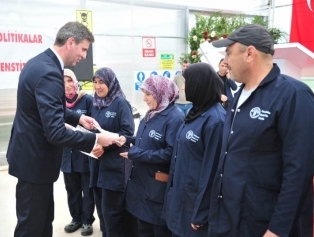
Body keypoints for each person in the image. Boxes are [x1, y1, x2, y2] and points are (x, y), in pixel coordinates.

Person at [6, 21, 115, 237]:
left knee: (43, 221)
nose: (84, 56)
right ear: (70, 42)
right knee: (31, 227)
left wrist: (78, 118)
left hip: (31, 161)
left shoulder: (39, 63)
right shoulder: (49, 73)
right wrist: (95, 140)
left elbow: (47, 108)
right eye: (83, 49)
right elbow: (55, 132)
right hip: (35, 162)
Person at [208, 24, 314, 237]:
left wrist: (277, 229)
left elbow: (299, 171)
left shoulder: (293, 95)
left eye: (229, 53)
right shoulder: (239, 96)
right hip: (229, 219)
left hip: (264, 223)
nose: (225, 61)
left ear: (249, 53)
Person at [117, 75, 184, 237]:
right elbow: (144, 140)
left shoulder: (174, 118)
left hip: (156, 187)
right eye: (144, 93)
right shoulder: (152, 114)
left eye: (148, 94)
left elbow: (170, 153)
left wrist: (136, 154)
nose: (144, 99)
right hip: (142, 184)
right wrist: (128, 139)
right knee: (143, 228)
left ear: (161, 93)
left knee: (158, 229)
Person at [163, 62, 225, 237]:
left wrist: (201, 212)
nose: (183, 87)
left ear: (199, 84)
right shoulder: (195, 112)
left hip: (195, 207)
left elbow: (213, 172)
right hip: (181, 199)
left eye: (186, 81)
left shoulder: (216, 121)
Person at [89, 67, 135, 237]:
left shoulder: (120, 103)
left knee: (112, 214)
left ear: (111, 83)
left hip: (114, 166)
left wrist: (105, 146)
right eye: (95, 82)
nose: (97, 86)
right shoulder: (95, 103)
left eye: (101, 82)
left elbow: (127, 133)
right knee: (101, 212)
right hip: (96, 165)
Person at [61, 69, 95, 236]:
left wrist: (74, 128)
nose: (67, 85)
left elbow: (94, 126)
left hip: (84, 154)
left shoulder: (87, 100)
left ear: (75, 82)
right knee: (71, 189)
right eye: (63, 81)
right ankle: (76, 218)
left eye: (69, 81)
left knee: (87, 189)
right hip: (67, 155)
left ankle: (87, 220)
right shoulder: (58, 103)